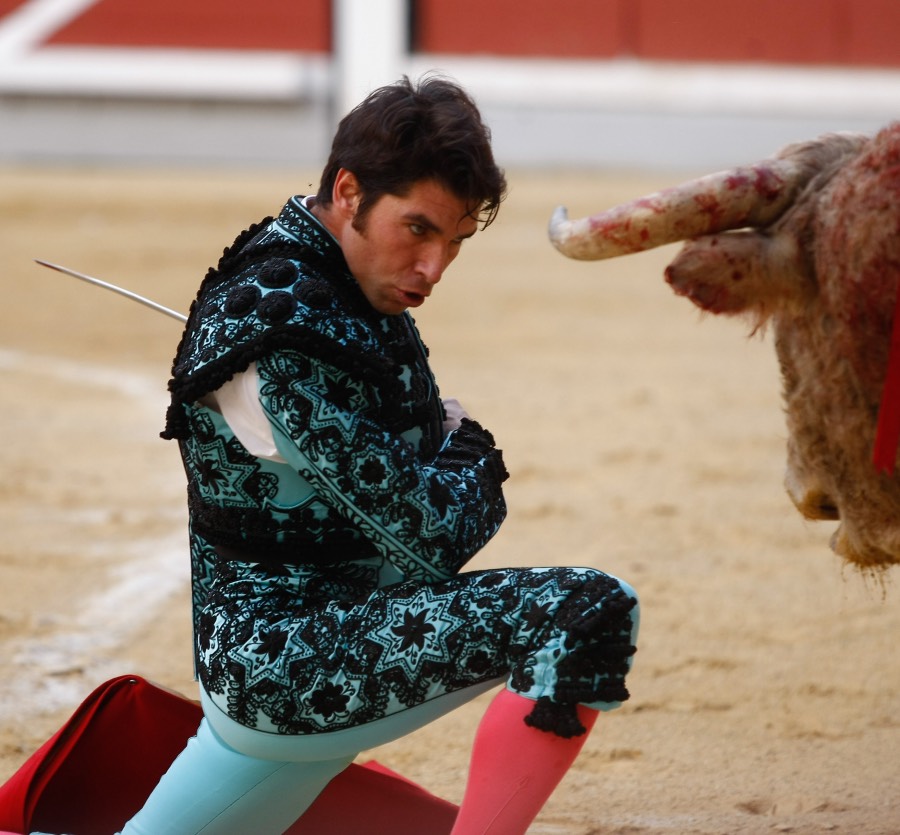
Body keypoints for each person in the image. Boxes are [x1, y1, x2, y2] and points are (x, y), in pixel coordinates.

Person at [121, 74, 639, 834]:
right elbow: (432, 539)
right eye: (418, 229)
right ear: (348, 190)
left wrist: (433, 446)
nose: (434, 268)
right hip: (287, 663)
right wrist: (465, 448)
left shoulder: (342, 283)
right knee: (586, 611)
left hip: (315, 638)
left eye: (455, 242)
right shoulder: (287, 327)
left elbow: (408, 484)